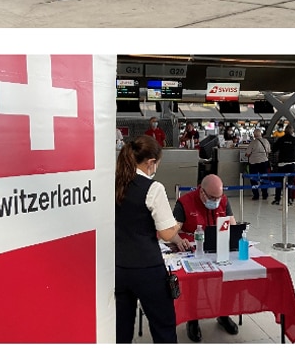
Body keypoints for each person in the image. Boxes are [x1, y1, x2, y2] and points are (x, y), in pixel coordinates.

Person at [114, 135, 180, 344]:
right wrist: (177, 224)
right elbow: (167, 233)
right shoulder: (153, 188)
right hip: (147, 269)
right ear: (151, 162)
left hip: (117, 267)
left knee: (121, 328)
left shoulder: (112, 183)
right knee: (163, 326)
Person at [173, 174, 239, 341]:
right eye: (212, 197)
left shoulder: (223, 200)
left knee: (230, 276)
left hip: (219, 249)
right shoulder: (185, 202)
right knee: (193, 281)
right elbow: (172, 231)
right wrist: (179, 240)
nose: (216, 201)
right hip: (194, 251)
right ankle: (192, 319)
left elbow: (232, 224)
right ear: (201, 191)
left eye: (219, 197)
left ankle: (223, 314)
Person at [246, 128, 272, 202]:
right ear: (261, 134)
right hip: (264, 161)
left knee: (253, 179)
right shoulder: (266, 141)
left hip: (254, 162)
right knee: (264, 178)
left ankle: (256, 195)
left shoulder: (253, 143)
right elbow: (269, 151)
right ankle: (265, 194)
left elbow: (247, 153)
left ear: (254, 135)